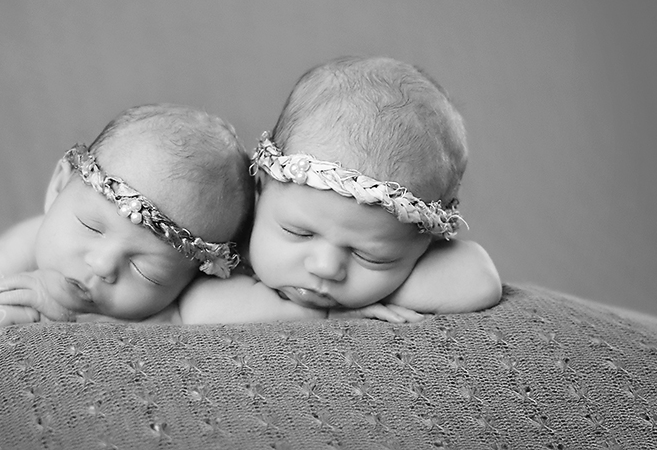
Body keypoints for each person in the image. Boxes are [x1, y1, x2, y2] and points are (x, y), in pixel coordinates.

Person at [179, 56, 502, 324]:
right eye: (300, 233)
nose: (326, 267)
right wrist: (333, 313)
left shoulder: (398, 248)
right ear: (261, 188)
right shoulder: (233, 234)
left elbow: (478, 282)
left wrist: (377, 288)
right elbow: (200, 309)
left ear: (423, 244)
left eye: (370, 256)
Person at [0, 103, 254, 342]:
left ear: (191, 279)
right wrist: (21, 313)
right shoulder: (27, 244)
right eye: (91, 226)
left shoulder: (183, 304)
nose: (102, 265)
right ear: (58, 187)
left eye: (149, 272)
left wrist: (74, 322)